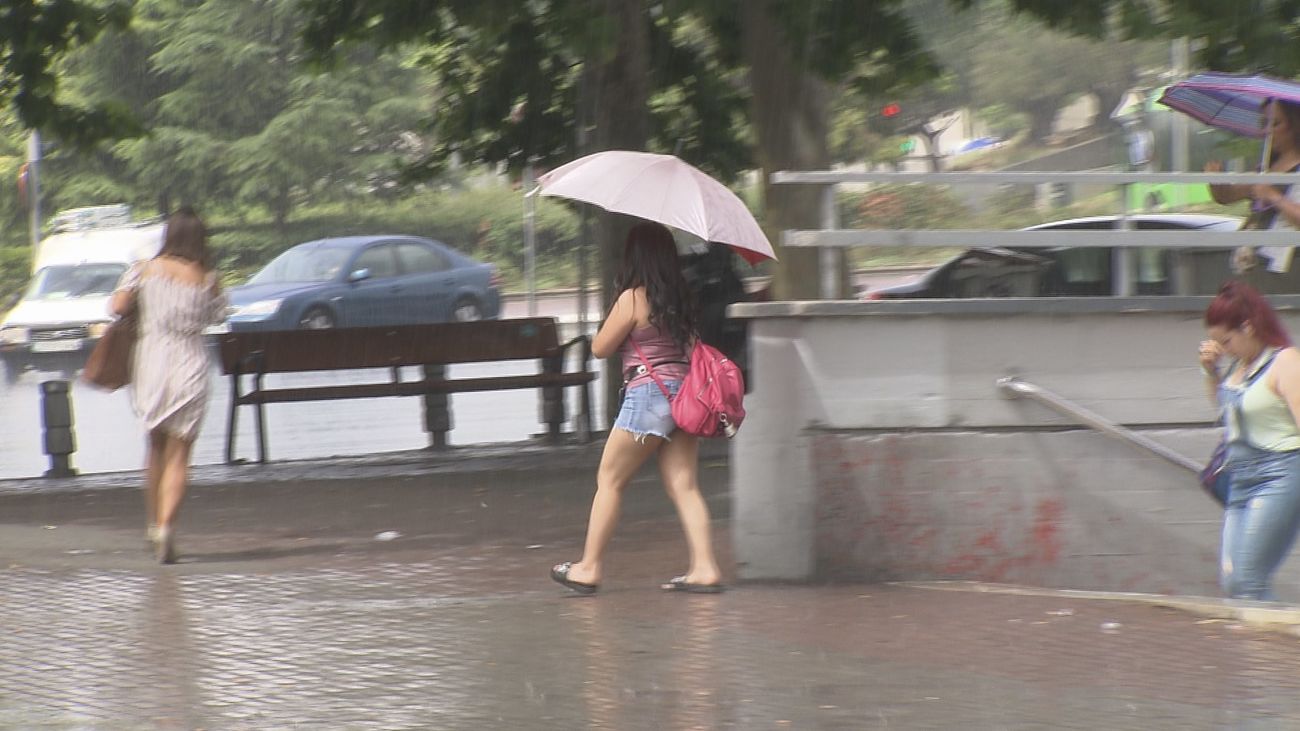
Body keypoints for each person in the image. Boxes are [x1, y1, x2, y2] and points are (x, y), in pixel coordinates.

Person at [551, 222, 724, 594]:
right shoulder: (682, 298)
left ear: (635, 258)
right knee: (685, 486)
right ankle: (705, 568)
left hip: (649, 395)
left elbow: (600, 348)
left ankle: (589, 567)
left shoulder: (633, 298)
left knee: (609, 482)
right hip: (686, 398)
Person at [110, 207, 227, 563]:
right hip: (190, 362)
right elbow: (219, 315)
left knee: (155, 447)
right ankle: (167, 528)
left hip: (152, 361)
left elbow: (116, 306)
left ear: (168, 236)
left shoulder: (143, 269)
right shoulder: (208, 277)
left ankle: (152, 522)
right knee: (180, 454)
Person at [1199, 280, 1300, 600]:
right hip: (1241, 478)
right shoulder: (1239, 366)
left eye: (1226, 341)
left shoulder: (1285, 362)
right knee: (1234, 582)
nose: (1222, 348)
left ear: (1249, 326)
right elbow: (1225, 409)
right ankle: (1265, 647)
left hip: (1279, 474)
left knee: (1249, 578)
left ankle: (1270, 650)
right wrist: (1211, 371)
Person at [1205, 99, 1300, 278]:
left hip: (1287, 265)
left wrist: (1272, 196)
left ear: (1294, 125)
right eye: (1264, 124)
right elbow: (1227, 197)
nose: (1268, 131)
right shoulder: (1265, 168)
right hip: (1253, 261)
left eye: (1276, 123)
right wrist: (1215, 181)